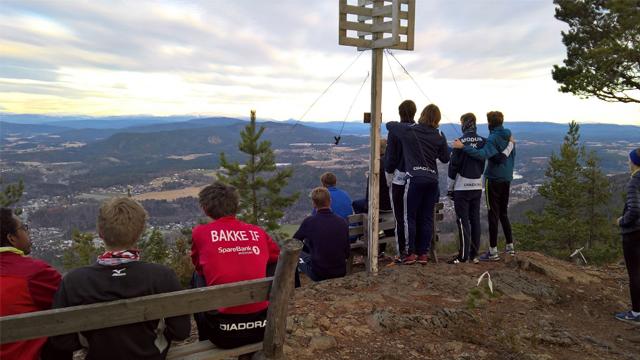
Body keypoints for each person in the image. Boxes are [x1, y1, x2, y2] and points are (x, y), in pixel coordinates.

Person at [50, 198, 190, 359]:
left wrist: (88, 342)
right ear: (139, 233)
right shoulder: (162, 276)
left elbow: (61, 340)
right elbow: (181, 331)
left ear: (100, 233)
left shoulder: (73, 281)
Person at [191, 181, 280, 349]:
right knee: (270, 263)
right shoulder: (257, 232)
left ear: (205, 208)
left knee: (197, 275)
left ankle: (203, 336)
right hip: (263, 327)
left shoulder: (200, 232)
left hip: (221, 333)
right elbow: (277, 257)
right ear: (236, 206)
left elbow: (198, 267)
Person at [386, 104, 450, 265]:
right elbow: (445, 158)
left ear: (422, 114)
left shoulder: (410, 131)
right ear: (437, 119)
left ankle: (410, 253)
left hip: (414, 178)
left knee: (410, 217)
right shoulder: (439, 134)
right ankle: (423, 253)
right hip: (432, 180)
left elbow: (390, 125)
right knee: (427, 217)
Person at [0, 208, 63, 360]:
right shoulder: (35, 274)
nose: (27, 232)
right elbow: (70, 300)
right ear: (12, 238)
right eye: (24, 228)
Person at [453, 111, 516, 261]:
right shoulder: (508, 136)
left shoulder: (493, 138)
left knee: (492, 214)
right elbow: (502, 156)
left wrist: (463, 147)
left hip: (493, 179)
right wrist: (510, 145)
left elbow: (482, 155)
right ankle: (510, 247)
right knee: (503, 213)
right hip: (507, 178)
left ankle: (493, 251)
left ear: (489, 123)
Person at [384, 100, 417, 262]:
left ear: (400, 113)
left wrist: (388, 176)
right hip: (417, 178)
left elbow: (391, 158)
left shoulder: (396, 131)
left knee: (400, 216)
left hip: (400, 178)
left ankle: (403, 252)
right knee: (413, 215)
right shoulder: (419, 130)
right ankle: (416, 250)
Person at [295, 187, 350, 282]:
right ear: (330, 201)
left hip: (319, 273)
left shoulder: (309, 222)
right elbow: (347, 253)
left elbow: (295, 242)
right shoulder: (342, 222)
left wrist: (308, 248)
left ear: (314, 204)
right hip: (340, 271)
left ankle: (296, 287)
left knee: (294, 254)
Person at [615, 148, 640, 324]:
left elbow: (635, 209)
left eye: (629, 160)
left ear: (634, 162)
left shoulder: (635, 181)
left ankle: (636, 313)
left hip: (634, 234)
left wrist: (622, 221)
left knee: (635, 273)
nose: (628, 163)